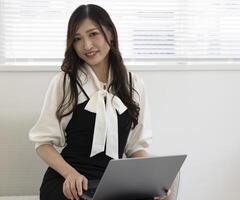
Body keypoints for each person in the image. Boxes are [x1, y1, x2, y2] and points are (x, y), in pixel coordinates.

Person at [29, 4, 170, 200]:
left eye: (93, 34)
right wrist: (70, 174)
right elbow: (42, 143)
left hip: (112, 184)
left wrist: (155, 181)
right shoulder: (65, 82)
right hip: (69, 183)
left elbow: (135, 147)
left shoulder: (134, 84)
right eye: (77, 39)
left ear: (110, 33)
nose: (86, 46)